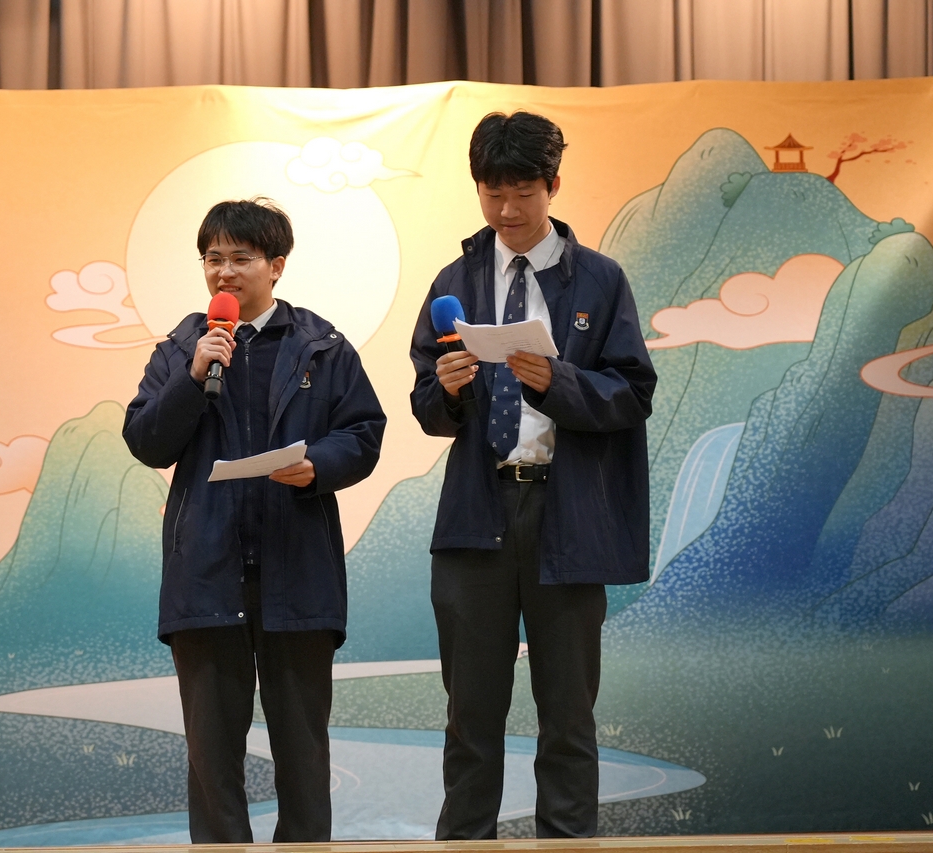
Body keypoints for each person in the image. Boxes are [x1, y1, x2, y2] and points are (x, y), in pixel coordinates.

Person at [409, 111, 657, 839]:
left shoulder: (600, 280)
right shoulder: (454, 281)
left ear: (553, 185)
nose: (508, 211)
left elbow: (634, 393)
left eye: (523, 192)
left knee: (568, 716)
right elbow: (427, 408)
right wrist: (446, 389)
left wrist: (558, 381)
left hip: (567, 514)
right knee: (470, 716)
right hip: (477, 515)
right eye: (494, 193)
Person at [123, 198, 386, 844]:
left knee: (303, 754)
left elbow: (363, 432)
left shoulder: (322, 347)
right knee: (212, 761)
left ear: (277, 265)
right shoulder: (182, 348)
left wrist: (317, 465)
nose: (224, 272)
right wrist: (192, 377)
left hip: (297, 574)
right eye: (212, 258)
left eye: (240, 258)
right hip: (206, 577)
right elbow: (147, 440)